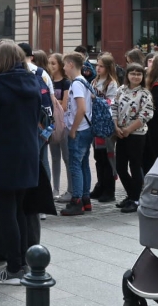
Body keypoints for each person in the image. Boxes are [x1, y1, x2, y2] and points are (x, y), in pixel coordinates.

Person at [0, 42, 41, 285]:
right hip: (28, 152)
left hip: (4, 154)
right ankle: (22, 262)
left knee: (5, 211)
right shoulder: (33, 81)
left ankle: (14, 267)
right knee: (20, 211)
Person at [114, 63, 153, 213]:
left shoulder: (145, 93)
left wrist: (129, 130)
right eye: (133, 73)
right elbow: (114, 108)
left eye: (139, 74)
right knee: (120, 167)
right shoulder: (121, 90)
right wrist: (116, 126)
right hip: (121, 133)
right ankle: (131, 194)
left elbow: (146, 115)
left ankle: (135, 199)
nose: (135, 76)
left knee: (135, 166)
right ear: (127, 75)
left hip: (137, 134)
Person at [60, 52, 93, 216]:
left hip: (79, 130)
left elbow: (81, 109)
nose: (64, 68)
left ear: (71, 64)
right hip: (86, 128)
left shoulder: (77, 84)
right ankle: (86, 199)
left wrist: (73, 129)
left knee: (75, 165)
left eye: (65, 64)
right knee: (84, 164)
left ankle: (77, 200)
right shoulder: (84, 81)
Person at [91, 53, 119, 203]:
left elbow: (111, 103)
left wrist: (96, 99)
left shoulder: (111, 84)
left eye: (101, 66)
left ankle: (109, 189)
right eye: (97, 65)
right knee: (98, 157)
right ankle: (100, 185)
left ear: (108, 67)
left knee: (107, 156)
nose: (98, 68)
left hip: (106, 124)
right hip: (96, 123)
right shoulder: (94, 81)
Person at [47, 53, 71, 201]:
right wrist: (57, 102)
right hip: (52, 123)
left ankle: (70, 189)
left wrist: (55, 102)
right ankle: (55, 188)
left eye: (53, 63)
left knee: (67, 158)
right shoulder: (48, 81)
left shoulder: (66, 83)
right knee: (55, 157)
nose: (50, 66)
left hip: (65, 124)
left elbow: (65, 105)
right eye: (49, 63)